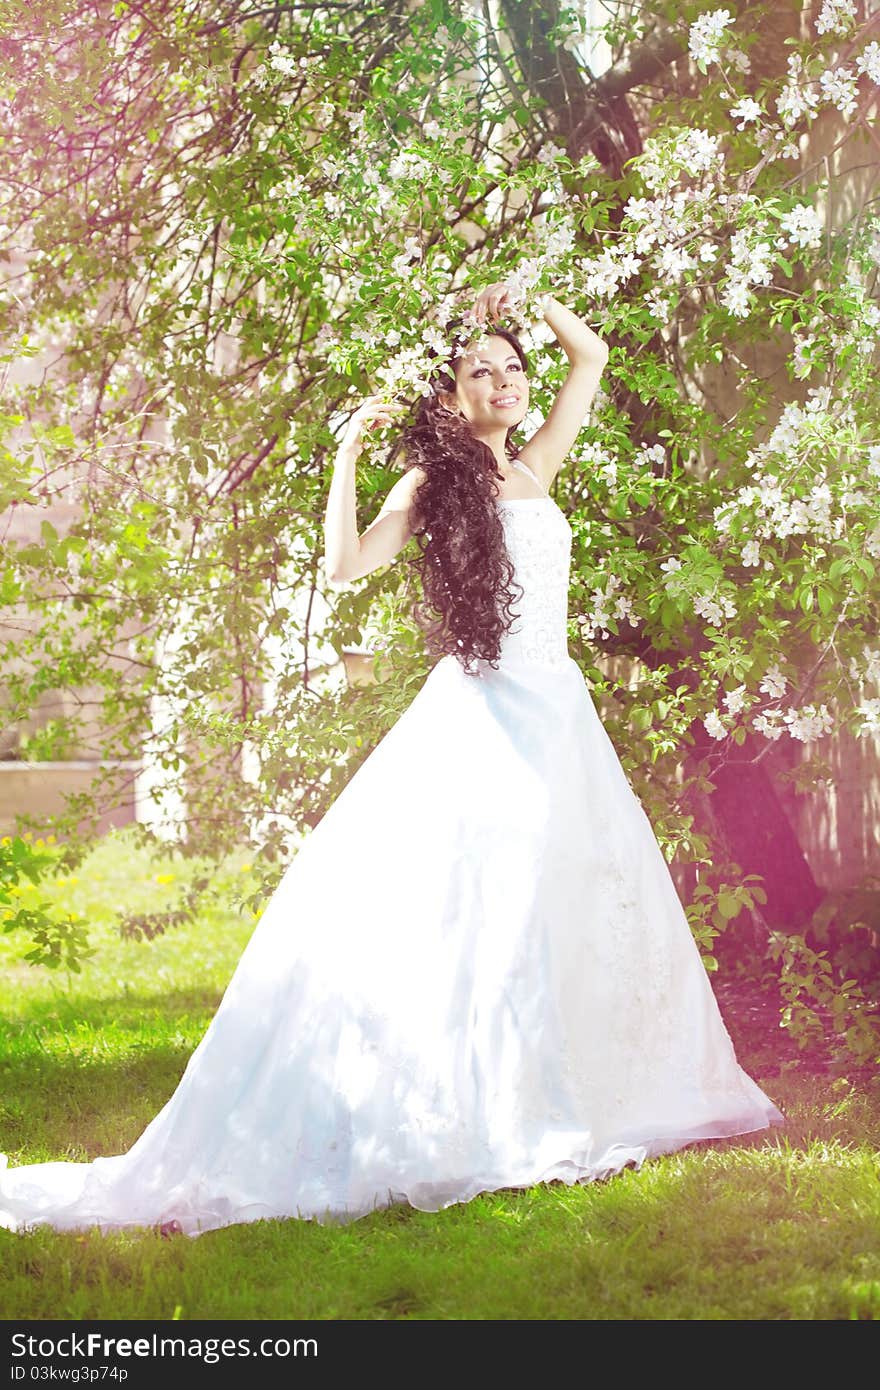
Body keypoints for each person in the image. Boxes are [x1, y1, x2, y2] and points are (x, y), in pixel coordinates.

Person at [0, 282, 784, 1238]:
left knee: (573, 890)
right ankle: (487, 1108)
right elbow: (345, 568)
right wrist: (347, 453)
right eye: (478, 372)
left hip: (558, 708)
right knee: (490, 901)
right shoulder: (434, 487)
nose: (500, 380)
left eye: (509, 368)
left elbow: (593, 359)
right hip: (485, 710)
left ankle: (573, 1089)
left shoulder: (538, 466)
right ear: (450, 398)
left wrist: (529, 299)